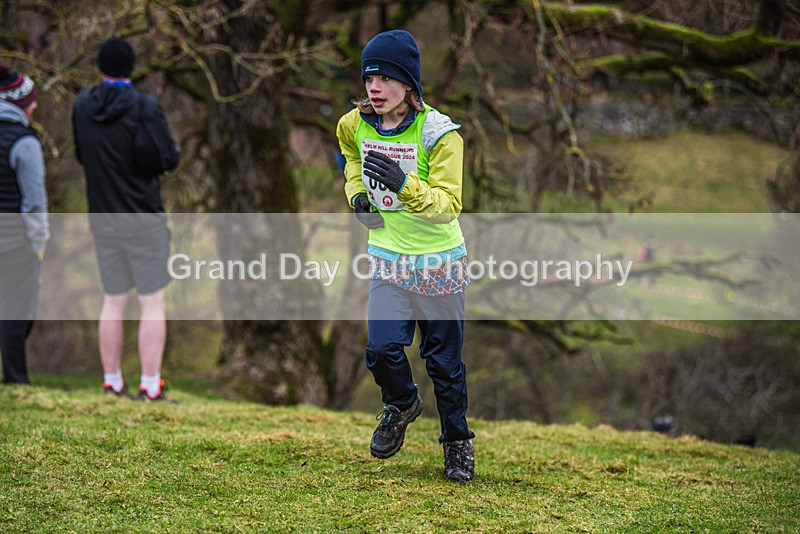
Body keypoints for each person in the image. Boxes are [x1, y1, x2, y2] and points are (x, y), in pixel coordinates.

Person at [337, 30, 475, 482]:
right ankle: (400, 404)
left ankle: (456, 444)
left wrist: (403, 184)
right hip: (389, 259)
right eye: (369, 77)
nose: (374, 87)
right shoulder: (353, 124)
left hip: (440, 262)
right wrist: (358, 196)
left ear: (409, 85)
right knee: (380, 349)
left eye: (385, 78)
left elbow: (447, 206)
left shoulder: (440, 134)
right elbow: (351, 160)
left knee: (444, 364)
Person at [72, 37, 180, 401]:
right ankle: (150, 385)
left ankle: (112, 381)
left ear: (100, 68)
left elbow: (83, 156)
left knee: (113, 298)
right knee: (152, 302)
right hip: (143, 218)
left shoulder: (82, 105)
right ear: (131, 68)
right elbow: (167, 158)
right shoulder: (144, 107)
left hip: (102, 217)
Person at [0, 66, 49, 385]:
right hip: (15, 242)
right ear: (19, 103)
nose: (34, 106)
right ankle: (16, 379)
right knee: (18, 312)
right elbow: (34, 201)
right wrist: (39, 242)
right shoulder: (25, 142)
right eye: (31, 100)